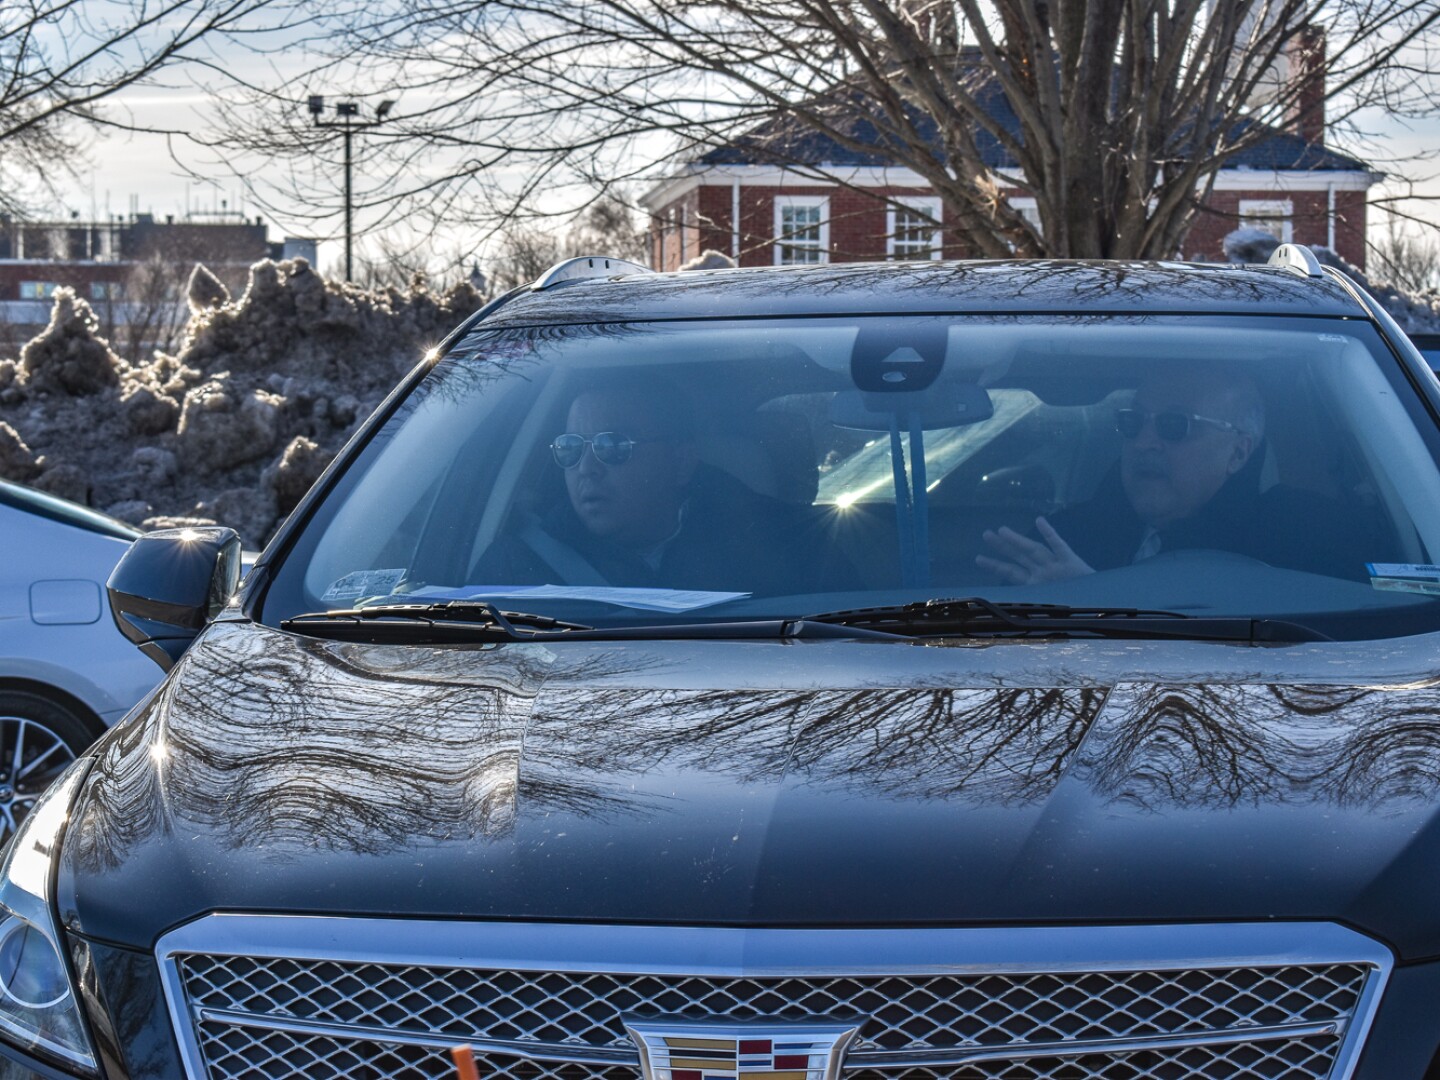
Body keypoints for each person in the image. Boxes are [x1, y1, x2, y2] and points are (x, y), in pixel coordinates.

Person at [976, 366, 1371, 584]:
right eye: (1133, 423)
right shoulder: (1063, 539)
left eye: (1174, 425)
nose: (1145, 442)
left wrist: (1089, 599)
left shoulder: (1307, 540)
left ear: (1238, 451)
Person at [473, 377, 854, 595]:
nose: (586, 468)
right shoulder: (517, 566)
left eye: (613, 446)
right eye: (571, 448)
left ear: (681, 461)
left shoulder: (787, 547)